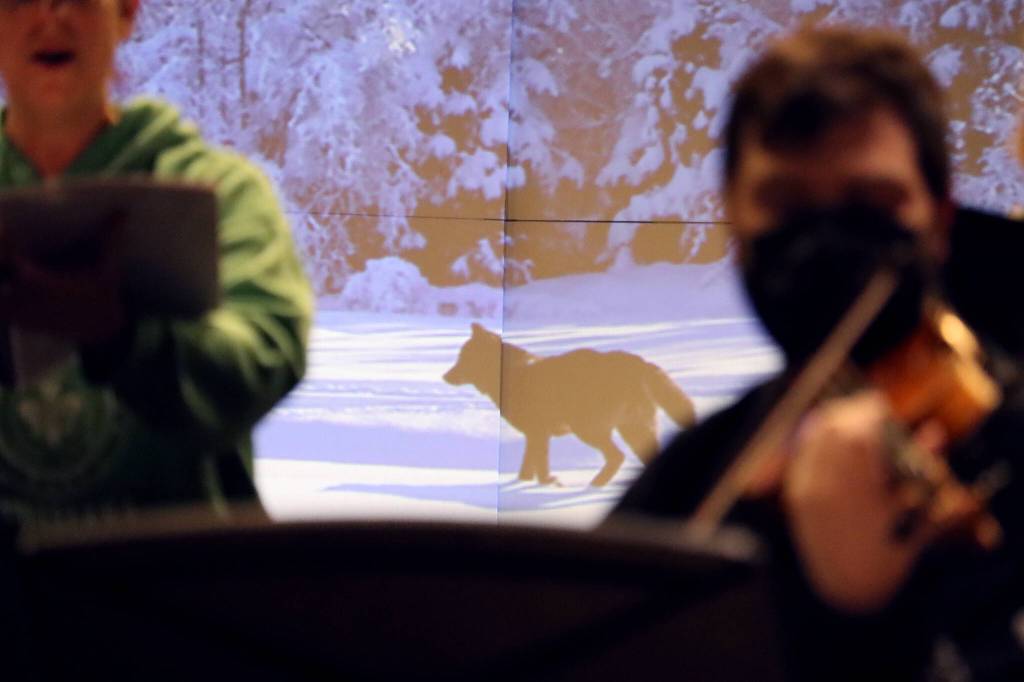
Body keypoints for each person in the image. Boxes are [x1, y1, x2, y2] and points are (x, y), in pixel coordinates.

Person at [608, 26, 1024, 681]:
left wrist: (866, 628)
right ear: (735, 223)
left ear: (940, 221)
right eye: (785, 204)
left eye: (871, 203)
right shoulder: (698, 477)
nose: (826, 243)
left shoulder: (1007, 438)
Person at [0, 0, 312, 520]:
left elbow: (264, 355)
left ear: (125, 14)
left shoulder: (218, 194)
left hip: (175, 567)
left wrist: (124, 339)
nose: (51, 16)